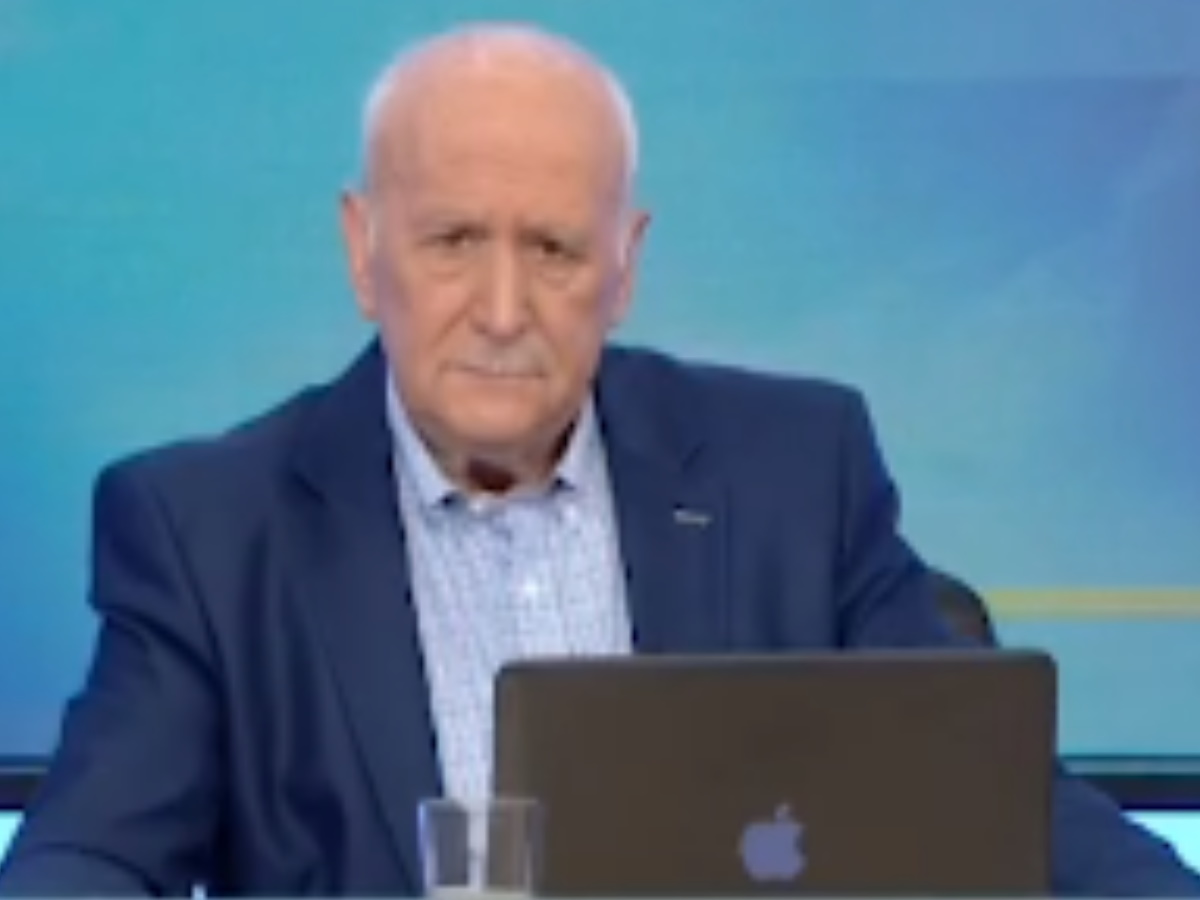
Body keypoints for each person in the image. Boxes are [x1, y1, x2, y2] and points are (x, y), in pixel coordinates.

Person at [1, 22, 1197, 897]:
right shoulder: (210, 531)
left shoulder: (797, 472)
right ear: (364, 252)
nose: (502, 310)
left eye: (555, 251)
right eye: (453, 241)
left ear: (625, 267)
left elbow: (1001, 808)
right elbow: (84, 858)